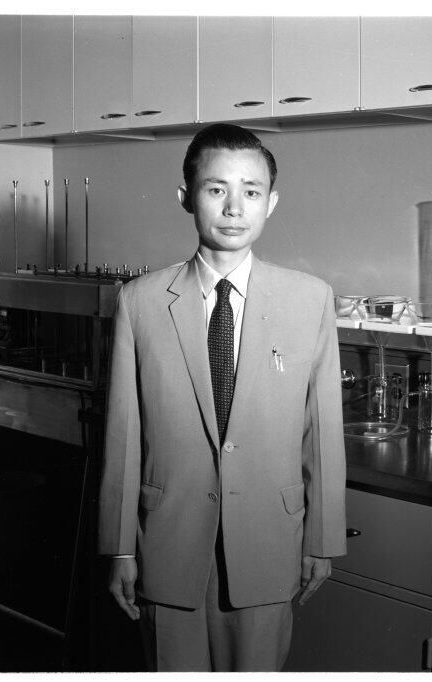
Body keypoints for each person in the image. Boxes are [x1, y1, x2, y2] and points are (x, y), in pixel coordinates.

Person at [98, 123, 347, 672]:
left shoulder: (310, 300)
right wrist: (119, 547)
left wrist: (323, 540)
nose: (235, 208)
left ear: (271, 203)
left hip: (269, 543)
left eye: (251, 192)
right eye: (216, 189)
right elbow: (123, 436)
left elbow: (322, 432)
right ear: (186, 197)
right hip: (167, 543)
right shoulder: (140, 303)